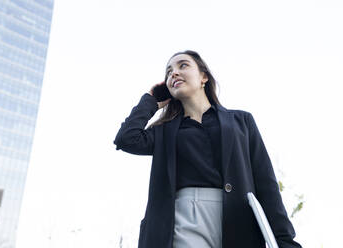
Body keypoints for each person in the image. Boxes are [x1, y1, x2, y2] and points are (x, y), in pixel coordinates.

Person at [113, 50, 302, 248]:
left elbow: (266, 184)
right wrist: (151, 100)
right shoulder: (164, 131)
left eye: (182, 66)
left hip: (238, 220)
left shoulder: (241, 121)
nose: (173, 74)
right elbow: (126, 139)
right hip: (183, 220)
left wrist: (285, 240)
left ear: (204, 77)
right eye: (168, 72)